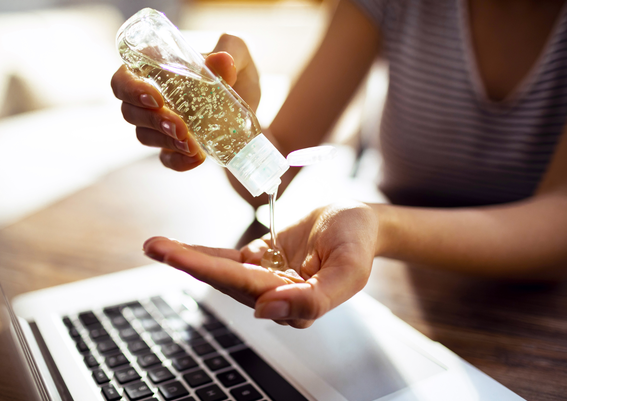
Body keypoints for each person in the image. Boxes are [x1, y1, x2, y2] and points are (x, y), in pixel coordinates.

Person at [110, 0, 567, 329]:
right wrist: (239, 123)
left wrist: (376, 225)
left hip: (544, 312)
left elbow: (569, 221)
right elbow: (270, 175)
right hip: (396, 290)